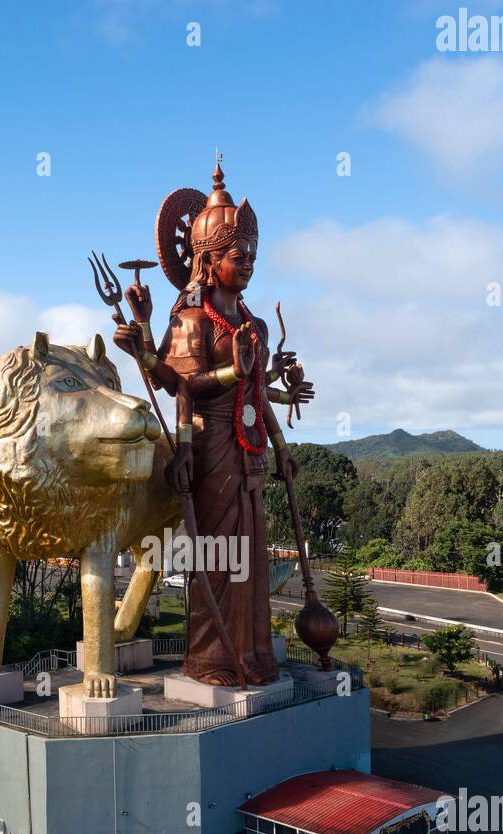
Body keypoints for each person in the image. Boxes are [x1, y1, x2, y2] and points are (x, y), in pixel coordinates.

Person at [114, 164, 312, 686]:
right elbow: (179, 385)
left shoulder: (255, 325)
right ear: (206, 259)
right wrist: (147, 337)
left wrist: (282, 441)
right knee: (217, 560)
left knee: (253, 559)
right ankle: (211, 658)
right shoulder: (192, 321)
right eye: (235, 255)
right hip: (210, 448)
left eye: (251, 255)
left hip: (250, 450)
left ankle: (252, 655)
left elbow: (252, 390)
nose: (246, 264)